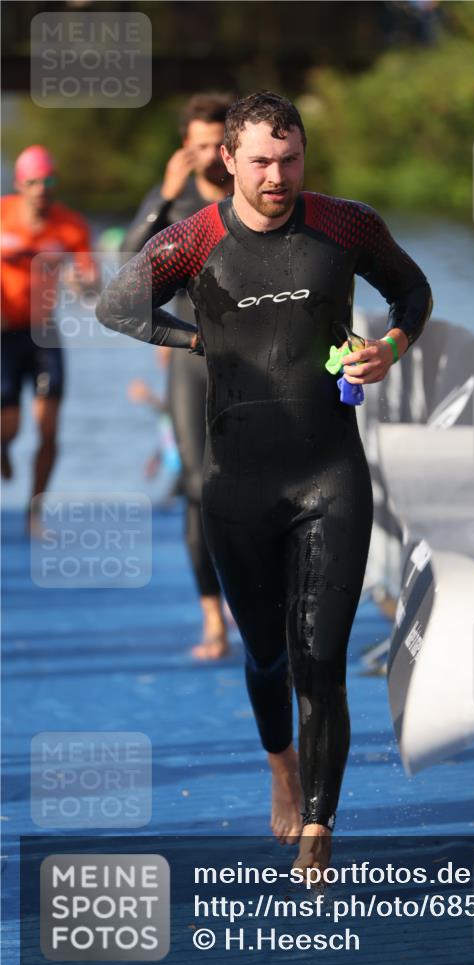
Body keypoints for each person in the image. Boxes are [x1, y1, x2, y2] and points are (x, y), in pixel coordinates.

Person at [96, 91, 432, 873]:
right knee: (268, 659)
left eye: (290, 159)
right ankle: (281, 765)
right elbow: (116, 305)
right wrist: (197, 341)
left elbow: (409, 292)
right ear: (228, 161)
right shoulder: (193, 240)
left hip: (329, 474)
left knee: (319, 658)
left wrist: (392, 345)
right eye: (260, 162)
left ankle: (319, 828)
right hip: (237, 485)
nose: (277, 176)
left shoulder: (346, 225)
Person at [122, 93, 234, 660]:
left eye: (219, 143)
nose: (210, 155)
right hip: (192, 354)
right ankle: (213, 619)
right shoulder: (178, 201)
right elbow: (127, 268)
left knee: (253, 482)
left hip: (255, 358)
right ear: (184, 149)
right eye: (199, 146)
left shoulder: (255, 193)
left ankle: (258, 598)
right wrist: (164, 194)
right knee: (196, 488)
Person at [1, 145, 96, 532]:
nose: (42, 189)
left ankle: (34, 513)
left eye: (48, 181)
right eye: (34, 182)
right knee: (10, 426)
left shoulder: (70, 225)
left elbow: (92, 284)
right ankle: (3, 446)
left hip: (44, 335)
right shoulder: (2, 214)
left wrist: (81, 283)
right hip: (4, 335)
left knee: (49, 429)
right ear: (20, 184)